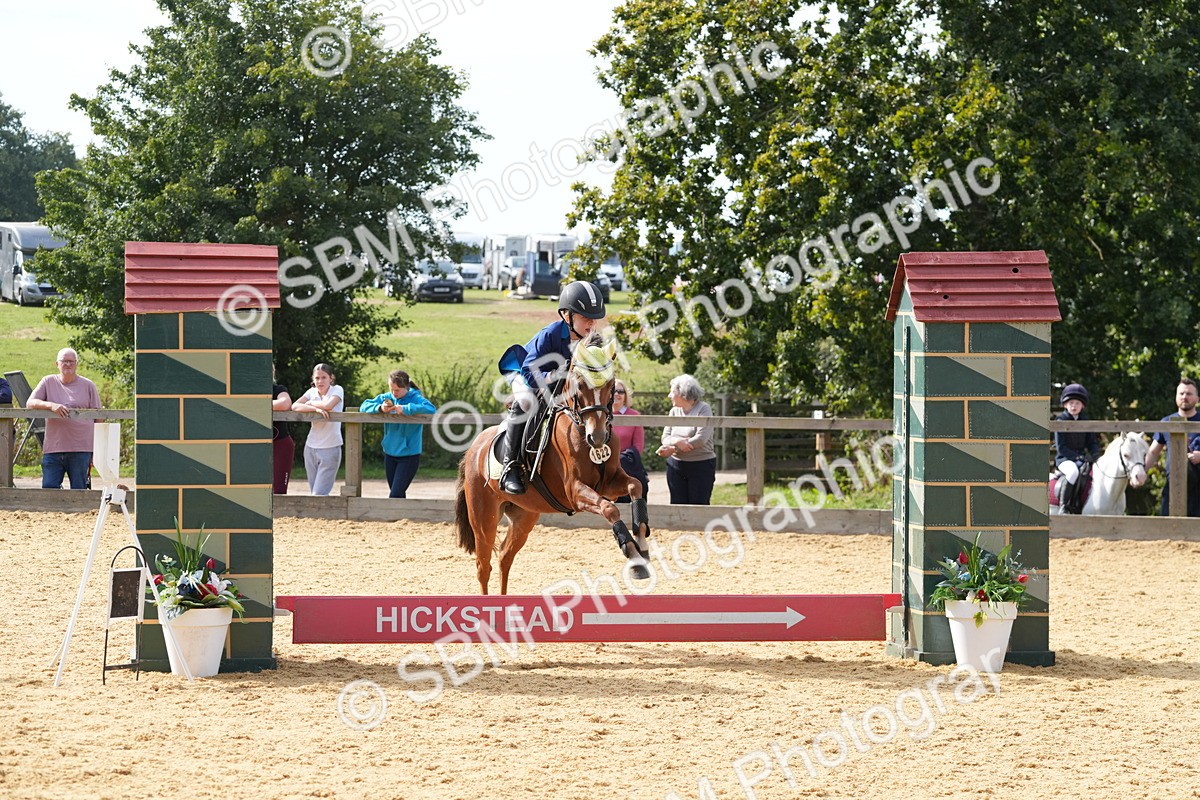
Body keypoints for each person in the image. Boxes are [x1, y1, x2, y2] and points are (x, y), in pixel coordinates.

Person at [496, 280, 607, 495]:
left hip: (558, 382)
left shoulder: (592, 341)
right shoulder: (551, 333)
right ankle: (511, 466)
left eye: (594, 320)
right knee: (527, 401)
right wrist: (555, 375)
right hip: (523, 372)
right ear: (567, 316)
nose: (591, 325)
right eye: (586, 318)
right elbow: (529, 372)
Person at [26, 348, 101, 489]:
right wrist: (51, 406)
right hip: (54, 447)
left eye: (71, 361)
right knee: (49, 488)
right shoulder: (48, 381)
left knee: (79, 489)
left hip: (81, 448)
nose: (68, 364)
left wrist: (96, 450)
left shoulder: (88, 385)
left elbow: (99, 418)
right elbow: (30, 403)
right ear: (57, 364)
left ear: (76, 364)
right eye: (64, 361)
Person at [360, 370, 437, 498]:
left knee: (395, 494)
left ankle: (397, 517)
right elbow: (364, 406)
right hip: (389, 453)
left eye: (397, 390)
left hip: (409, 454)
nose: (394, 394)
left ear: (406, 387)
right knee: (397, 494)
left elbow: (431, 409)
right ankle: (403, 517)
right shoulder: (387, 397)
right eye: (392, 390)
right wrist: (380, 408)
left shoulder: (416, 398)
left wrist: (407, 408)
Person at [657, 374, 717, 505]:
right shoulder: (674, 411)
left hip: (701, 465)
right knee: (677, 506)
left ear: (683, 393)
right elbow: (665, 437)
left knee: (699, 505)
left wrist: (673, 448)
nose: (669, 395)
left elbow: (701, 439)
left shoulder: (703, 408)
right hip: (675, 465)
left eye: (672, 392)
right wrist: (678, 442)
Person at [1145, 377, 1200, 517]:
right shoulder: (1166, 422)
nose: (1184, 397)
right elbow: (1153, 452)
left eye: (1189, 394)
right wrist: (1141, 472)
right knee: (1169, 530)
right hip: (1173, 487)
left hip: (1198, 488)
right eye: (1181, 394)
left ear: (1197, 399)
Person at [292, 363, 344, 496]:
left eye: (324, 377)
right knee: (313, 491)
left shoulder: (337, 390)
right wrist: (315, 409)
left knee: (318, 494)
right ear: (313, 379)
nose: (320, 381)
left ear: (331, 378)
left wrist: (310, 403)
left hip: (330, 447)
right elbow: (295, 406)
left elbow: (328, 405)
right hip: (310, 447)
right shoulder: (311, 392)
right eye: (317, 378)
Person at [1053, 383, 1101, 514]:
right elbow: (1061, 447)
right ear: (1065, 404)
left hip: (1082, 459)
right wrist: (1078, 457)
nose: (1074, 406)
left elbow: (1092, 442)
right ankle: (1064, 506)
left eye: (1077, 403)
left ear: (1083, 406)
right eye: (1071, 403)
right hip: (1065, 459)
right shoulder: (1060, 421)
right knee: (1073, 472)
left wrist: (1096, 455)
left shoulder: (1085, 421)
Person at [612, 379, 649, 502]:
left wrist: (620, 459)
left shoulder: (634, 415)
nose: (616, 394)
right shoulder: (601, 416)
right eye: (613, 390)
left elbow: (638, 446)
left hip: (627, 467)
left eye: (620, 391)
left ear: (625, 395)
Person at [271, 366, 294, 495]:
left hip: (280, 444)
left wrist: (258, 404)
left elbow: (285, 403)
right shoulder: (247, 391)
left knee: (279, 490)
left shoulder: (278, 389)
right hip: (254, 446)